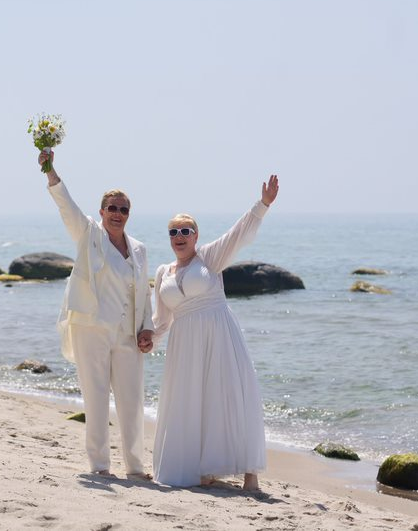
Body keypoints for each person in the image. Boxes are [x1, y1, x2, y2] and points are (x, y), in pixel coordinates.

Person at [151, 174, 280, 491]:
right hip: (183, 343)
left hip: (218, 334)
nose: (179, 236)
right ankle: (203, 469)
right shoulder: (162, 273)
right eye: (173, 232)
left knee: (228, 398)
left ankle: (250, 474)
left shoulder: (209, 256)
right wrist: (147, 339)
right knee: (193, 402)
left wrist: (262, 205)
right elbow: (161, 319)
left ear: (195, 236)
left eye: (186, 231)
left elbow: (238, 235)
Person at [38, 148, 156, 479]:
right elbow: (66, 208)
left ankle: (135, 467)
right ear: (101, 211)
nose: (118, 213)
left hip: (127, 334)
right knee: (97, 397)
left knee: (132, 401)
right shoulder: (89, 234)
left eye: (124, 209)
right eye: (112, 208)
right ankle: (100, 466)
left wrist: (148, 329)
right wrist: (51, 172)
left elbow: (143, 293)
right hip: (91, 328)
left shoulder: (140, 249)